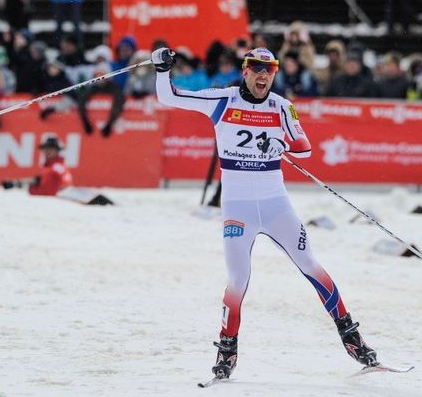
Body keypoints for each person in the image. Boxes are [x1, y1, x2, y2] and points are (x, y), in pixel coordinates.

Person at [152, 47, 379, 380]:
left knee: (310, 264)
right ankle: (227, 350)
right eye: (256, 70)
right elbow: (168, 96)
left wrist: (282, 145)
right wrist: (161, 68)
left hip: (276, 205)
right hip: (238, 209)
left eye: (269, 71)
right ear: (245, 71)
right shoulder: (223, 101)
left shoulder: (282, 107)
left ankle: (351, 336)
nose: (263, 76)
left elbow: (305, 146)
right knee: (237, 280)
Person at [76, 45, 124, 137]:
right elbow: (82, 98)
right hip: (96, 86)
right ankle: (86, 122)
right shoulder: (90, 69)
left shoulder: (112, 67)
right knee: (82, 97)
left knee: (119, 98)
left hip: (108, 85)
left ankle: (109, 124)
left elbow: (119, 99)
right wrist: (85, 121)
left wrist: (110, 124)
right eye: (98, 58)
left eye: (102, 58)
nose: (100, 61)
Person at [1, 136, 73, 196]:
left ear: (57, 151)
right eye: (46, 149)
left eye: (51, 149)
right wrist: (17, 183)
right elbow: (39, 180)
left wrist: (32, 190)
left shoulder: (56, 168)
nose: (47, 152)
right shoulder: (52, 167)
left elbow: (56, 189)